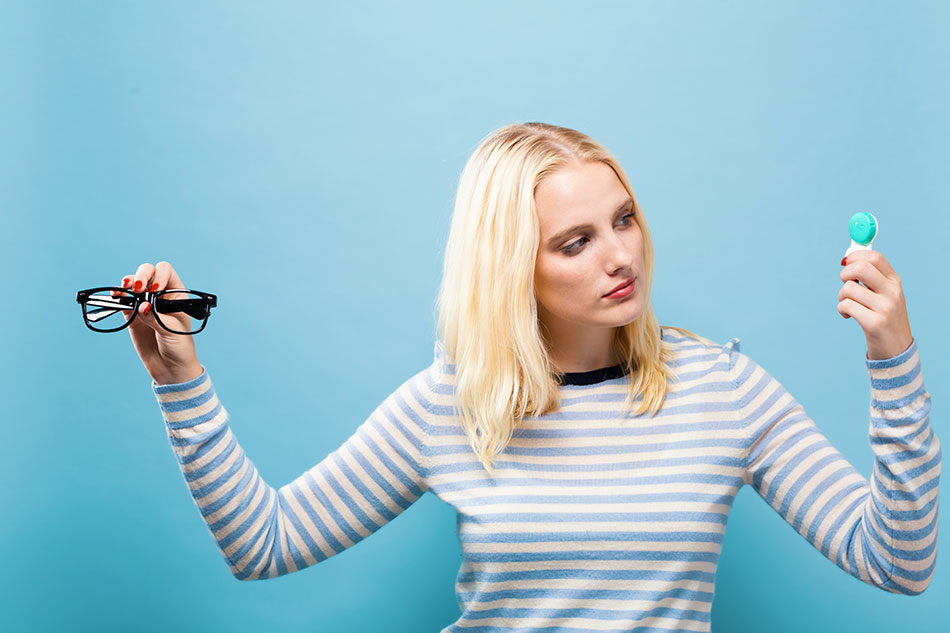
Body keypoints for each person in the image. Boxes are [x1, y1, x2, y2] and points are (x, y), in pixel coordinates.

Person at [119, 122, 939, 632]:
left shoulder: (723, 389)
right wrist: (180, 381)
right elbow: (267, 544)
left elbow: (899, 561)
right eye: (575, 240)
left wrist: (892, 360)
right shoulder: (451, 402)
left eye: (623, 220)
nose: (621, 254)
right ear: (515, 268)